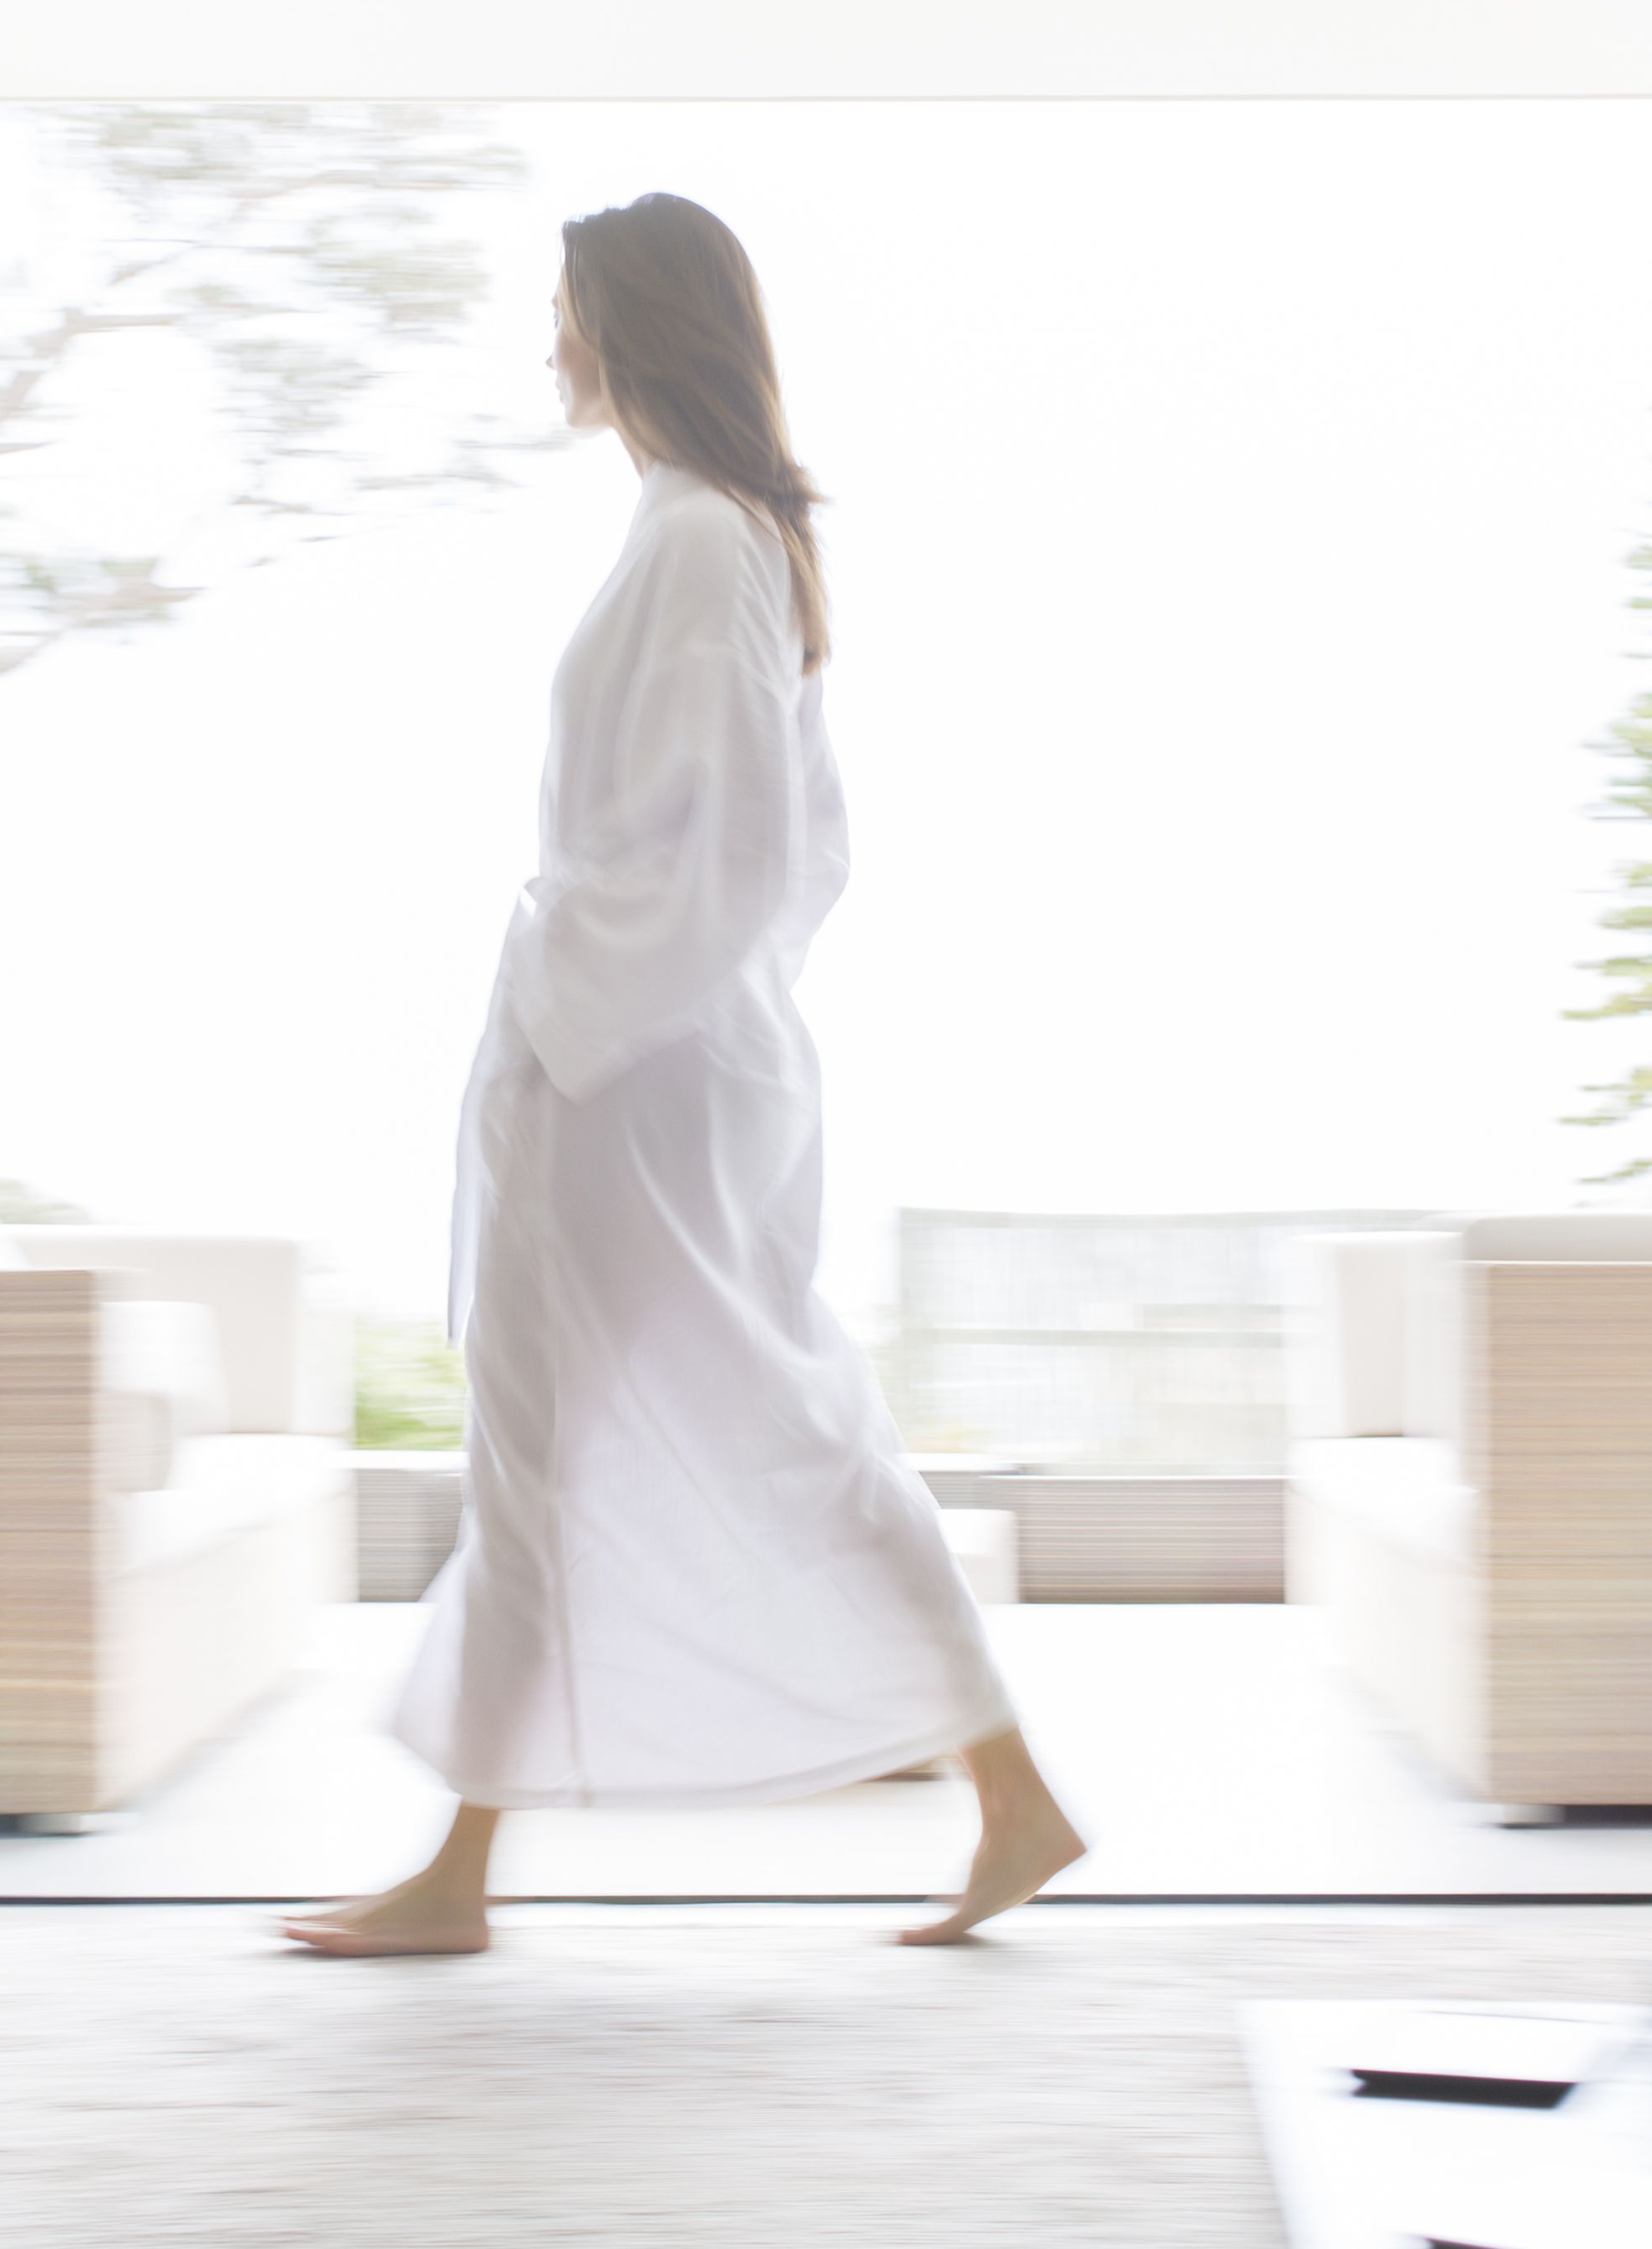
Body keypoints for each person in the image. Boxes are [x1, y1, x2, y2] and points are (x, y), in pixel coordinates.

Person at [281, 194, 1085, 1957]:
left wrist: (567, 1015)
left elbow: (733, 852)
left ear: (632, 325)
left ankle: (458, 1880)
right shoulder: (715, 533)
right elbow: (796, 854)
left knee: (614, 1433)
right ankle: (1003, 1799)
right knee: (685, 1428)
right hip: (659, 1060)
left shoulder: (704, 542)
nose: (548, 345)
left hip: (627, 1075)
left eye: (565, 310)